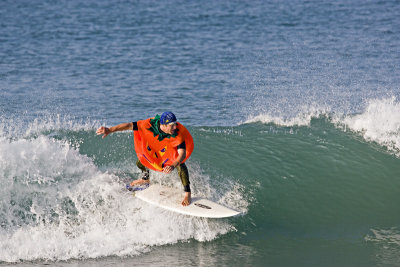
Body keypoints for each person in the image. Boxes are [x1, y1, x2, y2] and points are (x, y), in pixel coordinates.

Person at [96, 112, 194, 206]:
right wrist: (110, 130)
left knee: (181, 164)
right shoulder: (147, 125)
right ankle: (145, 179)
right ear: (163, 125)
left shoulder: (177, 134)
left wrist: (172, 165)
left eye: (175, 124)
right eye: (171, 125)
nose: (175, 127)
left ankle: (187, 192)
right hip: (156, 146)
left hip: (171, 153)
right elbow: (129, 125)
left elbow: (182, 154)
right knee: (141, 161)